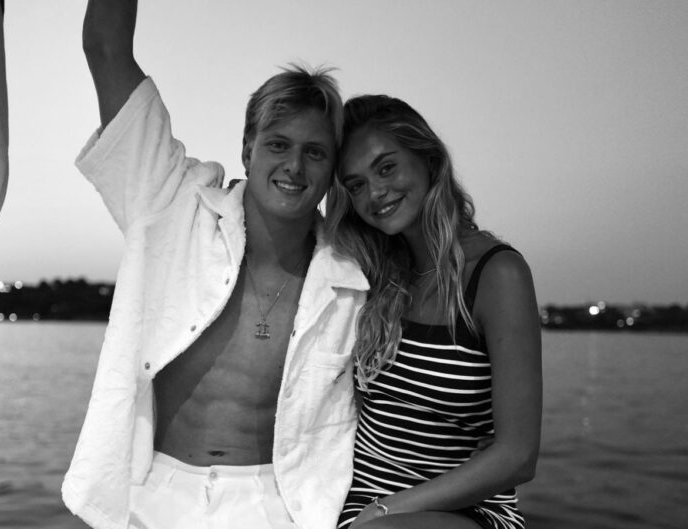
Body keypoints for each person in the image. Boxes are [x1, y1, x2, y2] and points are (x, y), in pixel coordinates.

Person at [61, 1, 369, 528]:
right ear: (247, 149)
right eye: (278, 145)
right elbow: (105, 47)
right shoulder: (172, 203)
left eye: (315, 152)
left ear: (332, 168)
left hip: (280, 504)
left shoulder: (354, 276)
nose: (294, 166)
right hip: (153, 493)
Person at [326, 95, 542, 529]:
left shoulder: (496, 275)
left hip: (458, 511)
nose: (375, 193)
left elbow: (518, 455)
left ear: (428, 158)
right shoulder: (372, 271)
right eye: (356, 185)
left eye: (386, 168)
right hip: (356, 500)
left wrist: (387, 510)